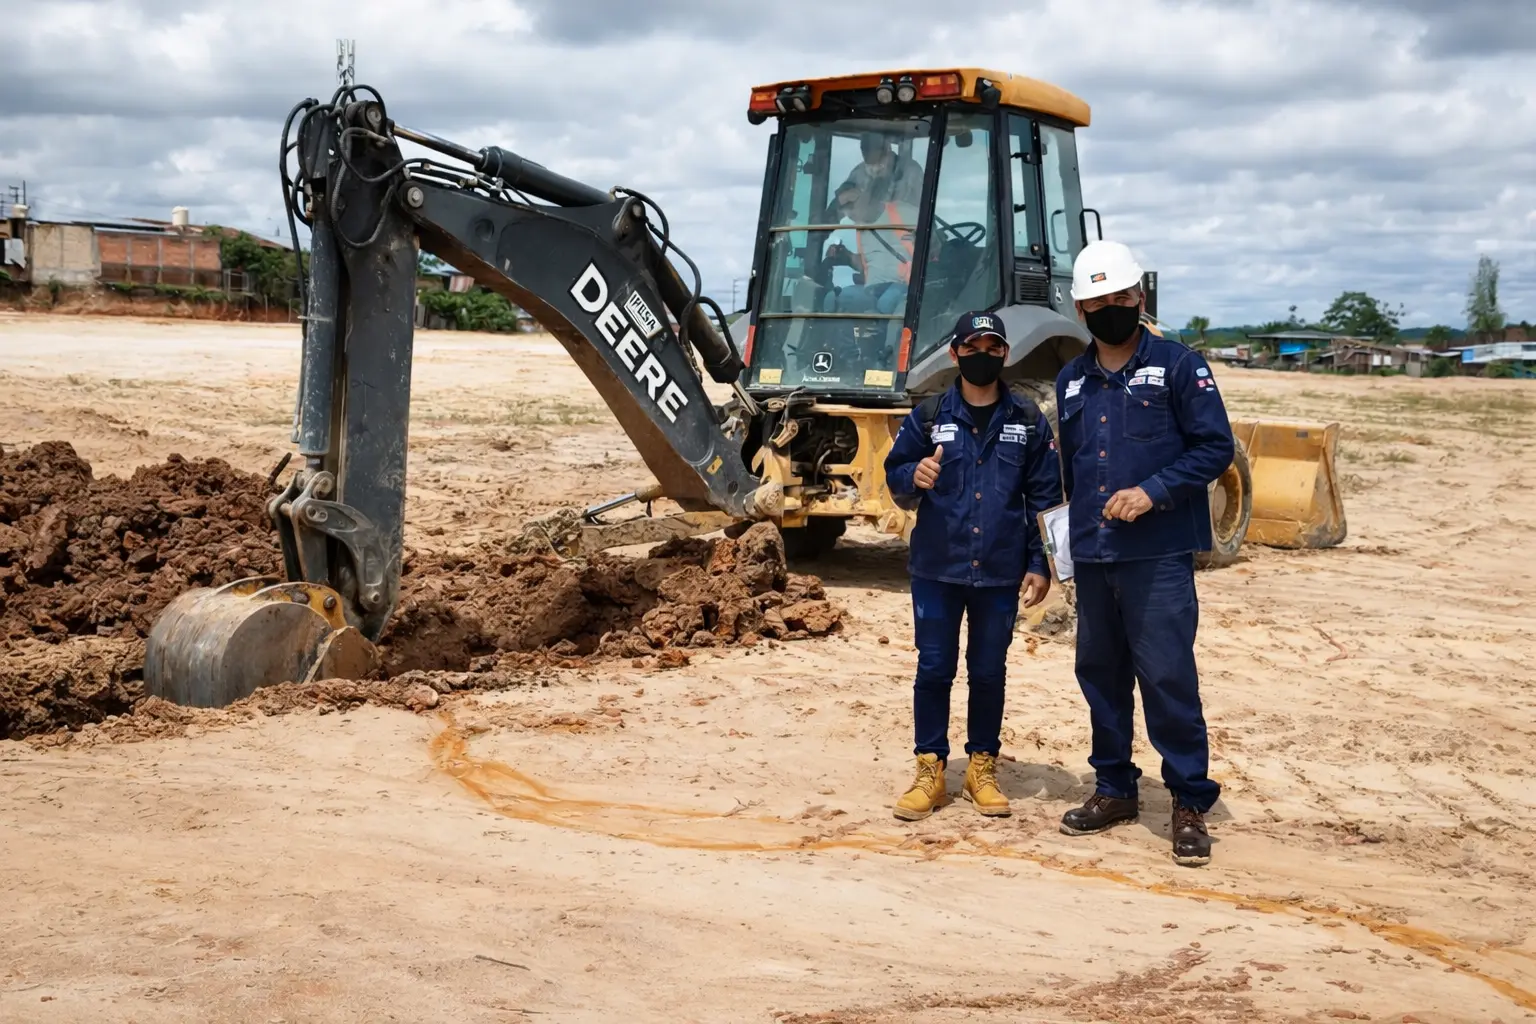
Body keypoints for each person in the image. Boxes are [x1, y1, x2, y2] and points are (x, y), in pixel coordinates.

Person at [1053, 240, 1235, 867]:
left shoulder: (1181, 367)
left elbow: (1215, 448)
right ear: (1080, 309)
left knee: (1166, 676)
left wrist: (1153, 492)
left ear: (1140, 298)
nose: (1110, 309)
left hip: (1156, 555)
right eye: (1097, 301)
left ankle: (1188, 799)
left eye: (1121, 298)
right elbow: (1071, 470)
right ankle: (1114, 788)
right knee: (1099, 675)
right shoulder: (1071, 379)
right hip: (1096, 554)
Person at [883, 311, 1059, 822]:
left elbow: (1044, 497)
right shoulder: (929, 415)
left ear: (1005, 354)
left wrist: (1039, 562)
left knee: (988, 672)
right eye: (973, 346)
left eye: (994, 347)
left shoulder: (1027, 420)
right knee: (934, 669)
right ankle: (930, 769)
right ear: (956, 353)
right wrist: (913, 473)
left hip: (1001, 572)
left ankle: (982, 767)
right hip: (938, 569)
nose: (983, 354)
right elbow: (895, 478)